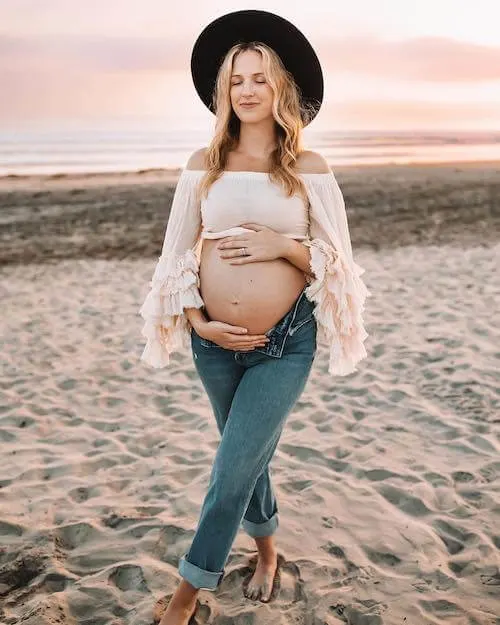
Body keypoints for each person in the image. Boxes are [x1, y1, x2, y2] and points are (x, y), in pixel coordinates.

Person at [138, 10, 370, 625]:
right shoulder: (202, 163)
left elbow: (340, 267)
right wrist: (196, 320)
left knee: (233, 464)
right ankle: (267, 551)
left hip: (285, 341)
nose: (247, 89)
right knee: (247, 457)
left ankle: (186, 595)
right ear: (224, 90)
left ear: (281, 88)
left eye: (259, 79)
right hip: (212, 342)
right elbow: (174, 256)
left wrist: (281, 247)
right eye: (237, 79)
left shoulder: (310, 168)